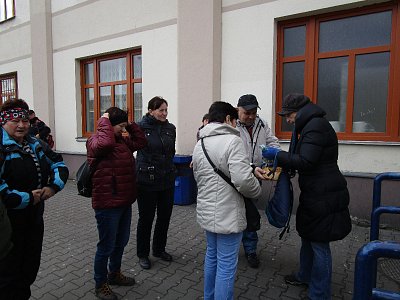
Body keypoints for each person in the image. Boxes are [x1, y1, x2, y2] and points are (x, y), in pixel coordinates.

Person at [264, 93, 351, 300]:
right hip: (317, 191)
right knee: (308, 235)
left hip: (324, 193)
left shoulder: (315, 127)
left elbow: (306, 161)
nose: (287, 119)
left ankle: (320, 294)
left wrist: (277, 155)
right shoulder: (311, 125)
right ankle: (305, 275)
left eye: (289, 115)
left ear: (300, 111)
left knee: (319, 242)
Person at [192, 101, 267, 300]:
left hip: (208, 209)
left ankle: (209, 297)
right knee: (225, 264)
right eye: (234, 120)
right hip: (228, 212)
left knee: (212, 257)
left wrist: (250, 168)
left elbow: (200, 174)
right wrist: (256, 190)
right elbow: (242, 180)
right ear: (227, 119)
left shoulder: (200, 142)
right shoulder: (232, 141)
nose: (235, 125)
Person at [0, 98, 69, 299]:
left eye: (25, 120)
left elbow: (59, 165)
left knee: (29, 266)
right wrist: (26, 198)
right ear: (3, 121)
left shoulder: (35, 144)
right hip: (7, 223)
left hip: (34, 217)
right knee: (7, 273)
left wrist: (52, 187)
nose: (22, 125)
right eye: (15, 121)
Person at [86, 107, 147, 300]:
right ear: (108, 125)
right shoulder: (95, 140)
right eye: (120, 126)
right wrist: (104, 121)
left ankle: (114, 274)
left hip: (124, 201)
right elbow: (104, 144)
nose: (123, 130)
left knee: (120, 242)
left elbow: (141, 141)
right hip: (107, 203)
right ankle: (100, 283)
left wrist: (129, 123)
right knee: (106, 246)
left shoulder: (122, 141)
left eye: (124, 126)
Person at [236, 94, 280, 268]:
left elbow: (272, 142)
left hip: (256, 176)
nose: (251, 116)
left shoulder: (261, 124)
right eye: (247, 112)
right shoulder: (231, 125)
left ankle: (250, 250)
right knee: (235, 213)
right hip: (236, 177)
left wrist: (276, 155)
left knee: (251, 214)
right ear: (237, 109)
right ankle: (230, 247)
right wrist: (250, 166)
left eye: (254, 112)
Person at [136, 96, 176, 270]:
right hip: (146, 181)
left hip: (166, 179)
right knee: (146, 218)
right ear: (151, 110)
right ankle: (143, 254)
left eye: (166, 110)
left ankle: (159, 249)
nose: (164, 113)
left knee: (164, 217)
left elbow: (170, 152)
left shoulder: (170, 128)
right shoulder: (139, 127)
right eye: (161, 110)